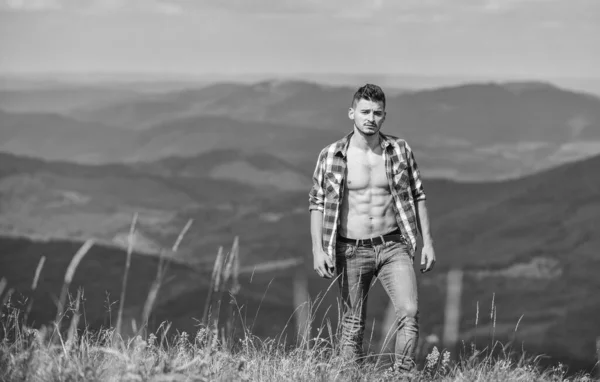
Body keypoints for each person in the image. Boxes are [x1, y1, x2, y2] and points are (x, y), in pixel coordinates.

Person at [308, 83, 436, 372]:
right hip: (350, 248)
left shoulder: (399, 150)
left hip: (394, 245)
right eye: (365, 111)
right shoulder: (331, 155)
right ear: (351, 113)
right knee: (353, 324)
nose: (370, 118)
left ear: (384, 116)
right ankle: (350, 376)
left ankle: (403, 375)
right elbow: (316, 203)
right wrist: (318, 250)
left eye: (377, 113)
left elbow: (418, 195)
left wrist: (427, 242)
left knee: (409, 312)